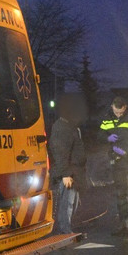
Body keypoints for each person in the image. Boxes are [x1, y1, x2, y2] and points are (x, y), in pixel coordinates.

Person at [99, 92, 128, 238]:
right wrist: (107, 138)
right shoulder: (107, 118)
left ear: (125, 107)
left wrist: (126, 152)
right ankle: (125, 225)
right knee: (120, 193)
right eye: (116, 111)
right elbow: (99, 135)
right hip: (117, 160)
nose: (118, 114)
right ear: (112, 107)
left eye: (120, 112)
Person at [48, 94, 87, 234]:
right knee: (67, 204)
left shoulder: (70, 126)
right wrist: (65, 174)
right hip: (68, 173)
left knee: (73, 203)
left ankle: (66, 228)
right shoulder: (61, 127)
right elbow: (60, 153)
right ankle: (65, 231)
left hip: (74, 172)